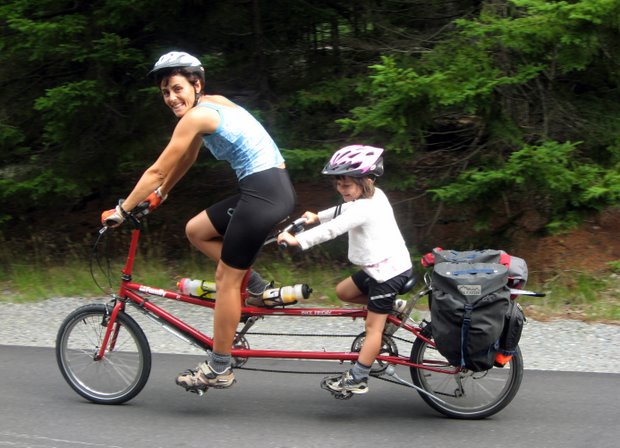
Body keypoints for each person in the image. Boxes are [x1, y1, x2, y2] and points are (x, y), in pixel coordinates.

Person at [101, 51, 296, 393]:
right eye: (165, 92)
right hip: (267, 190)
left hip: (264, 194)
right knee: (197, 230)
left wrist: (123, 208)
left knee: (225, 280)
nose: (172, 97)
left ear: (196, 84)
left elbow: (157, 169)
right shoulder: (210, 106)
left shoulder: (198, 116)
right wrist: (162, 194)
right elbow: (187, 156)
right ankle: (258, 288)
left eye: (177, 88)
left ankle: (220, 366)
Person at [277, 145, 412, 395]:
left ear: (366, 180)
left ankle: (358, 377)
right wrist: (316, 216)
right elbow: (341, 210)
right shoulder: (371, 196)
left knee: (374, 328)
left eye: (346, 186)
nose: (341, 190)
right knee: (344, 292)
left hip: (387, 273)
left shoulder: (365, 208)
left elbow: (335, 228)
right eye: (338, 185)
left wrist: (299, 240)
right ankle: (393, 307)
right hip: (380, 267)